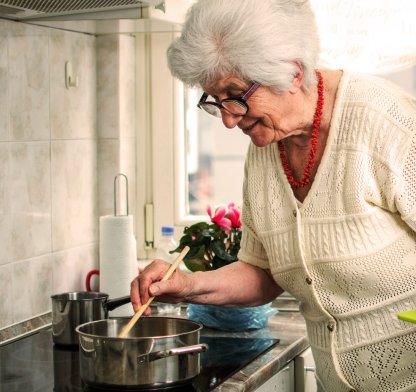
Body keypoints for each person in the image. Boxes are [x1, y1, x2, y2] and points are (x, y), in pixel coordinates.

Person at [130, 0, 416, 391]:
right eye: (215, 101)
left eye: (234, 95)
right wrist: (186, 284)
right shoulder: (266, 147)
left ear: (292, 72)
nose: (229, 118)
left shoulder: (386, 122)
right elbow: (264, 272)